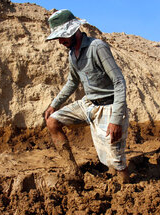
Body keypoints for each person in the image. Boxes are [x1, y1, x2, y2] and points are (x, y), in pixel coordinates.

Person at [44, 9, 130, 184]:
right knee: (52, 121)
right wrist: (54, 105)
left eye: (63, 37)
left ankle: (126, 190)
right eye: (58, 38)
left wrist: (115, 119)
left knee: (116, 162)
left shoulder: (97, 47)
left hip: (109, 106)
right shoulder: (71, 54)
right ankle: (73, 171)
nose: (60, 42)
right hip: (88, 104)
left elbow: (119, 82)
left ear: (75, 30)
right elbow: (72, 82)